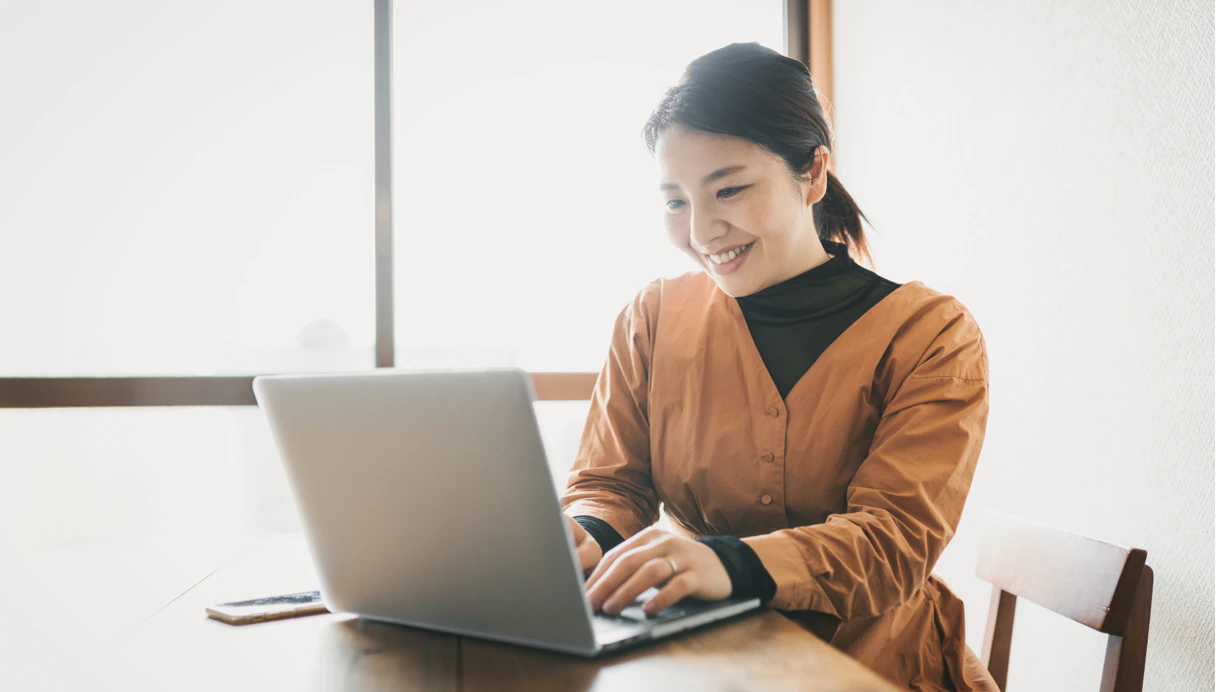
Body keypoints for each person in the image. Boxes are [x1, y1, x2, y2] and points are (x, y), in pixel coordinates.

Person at [560, 42, 998, 692]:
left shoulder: (931, 335)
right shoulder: (650, 319)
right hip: (704, 662)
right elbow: (611, 483)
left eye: (729, 189)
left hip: (877, 667)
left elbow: (894, 541)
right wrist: (584, 533)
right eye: (676, 201)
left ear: (813, 173)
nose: (701, 231)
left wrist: (727, 564)